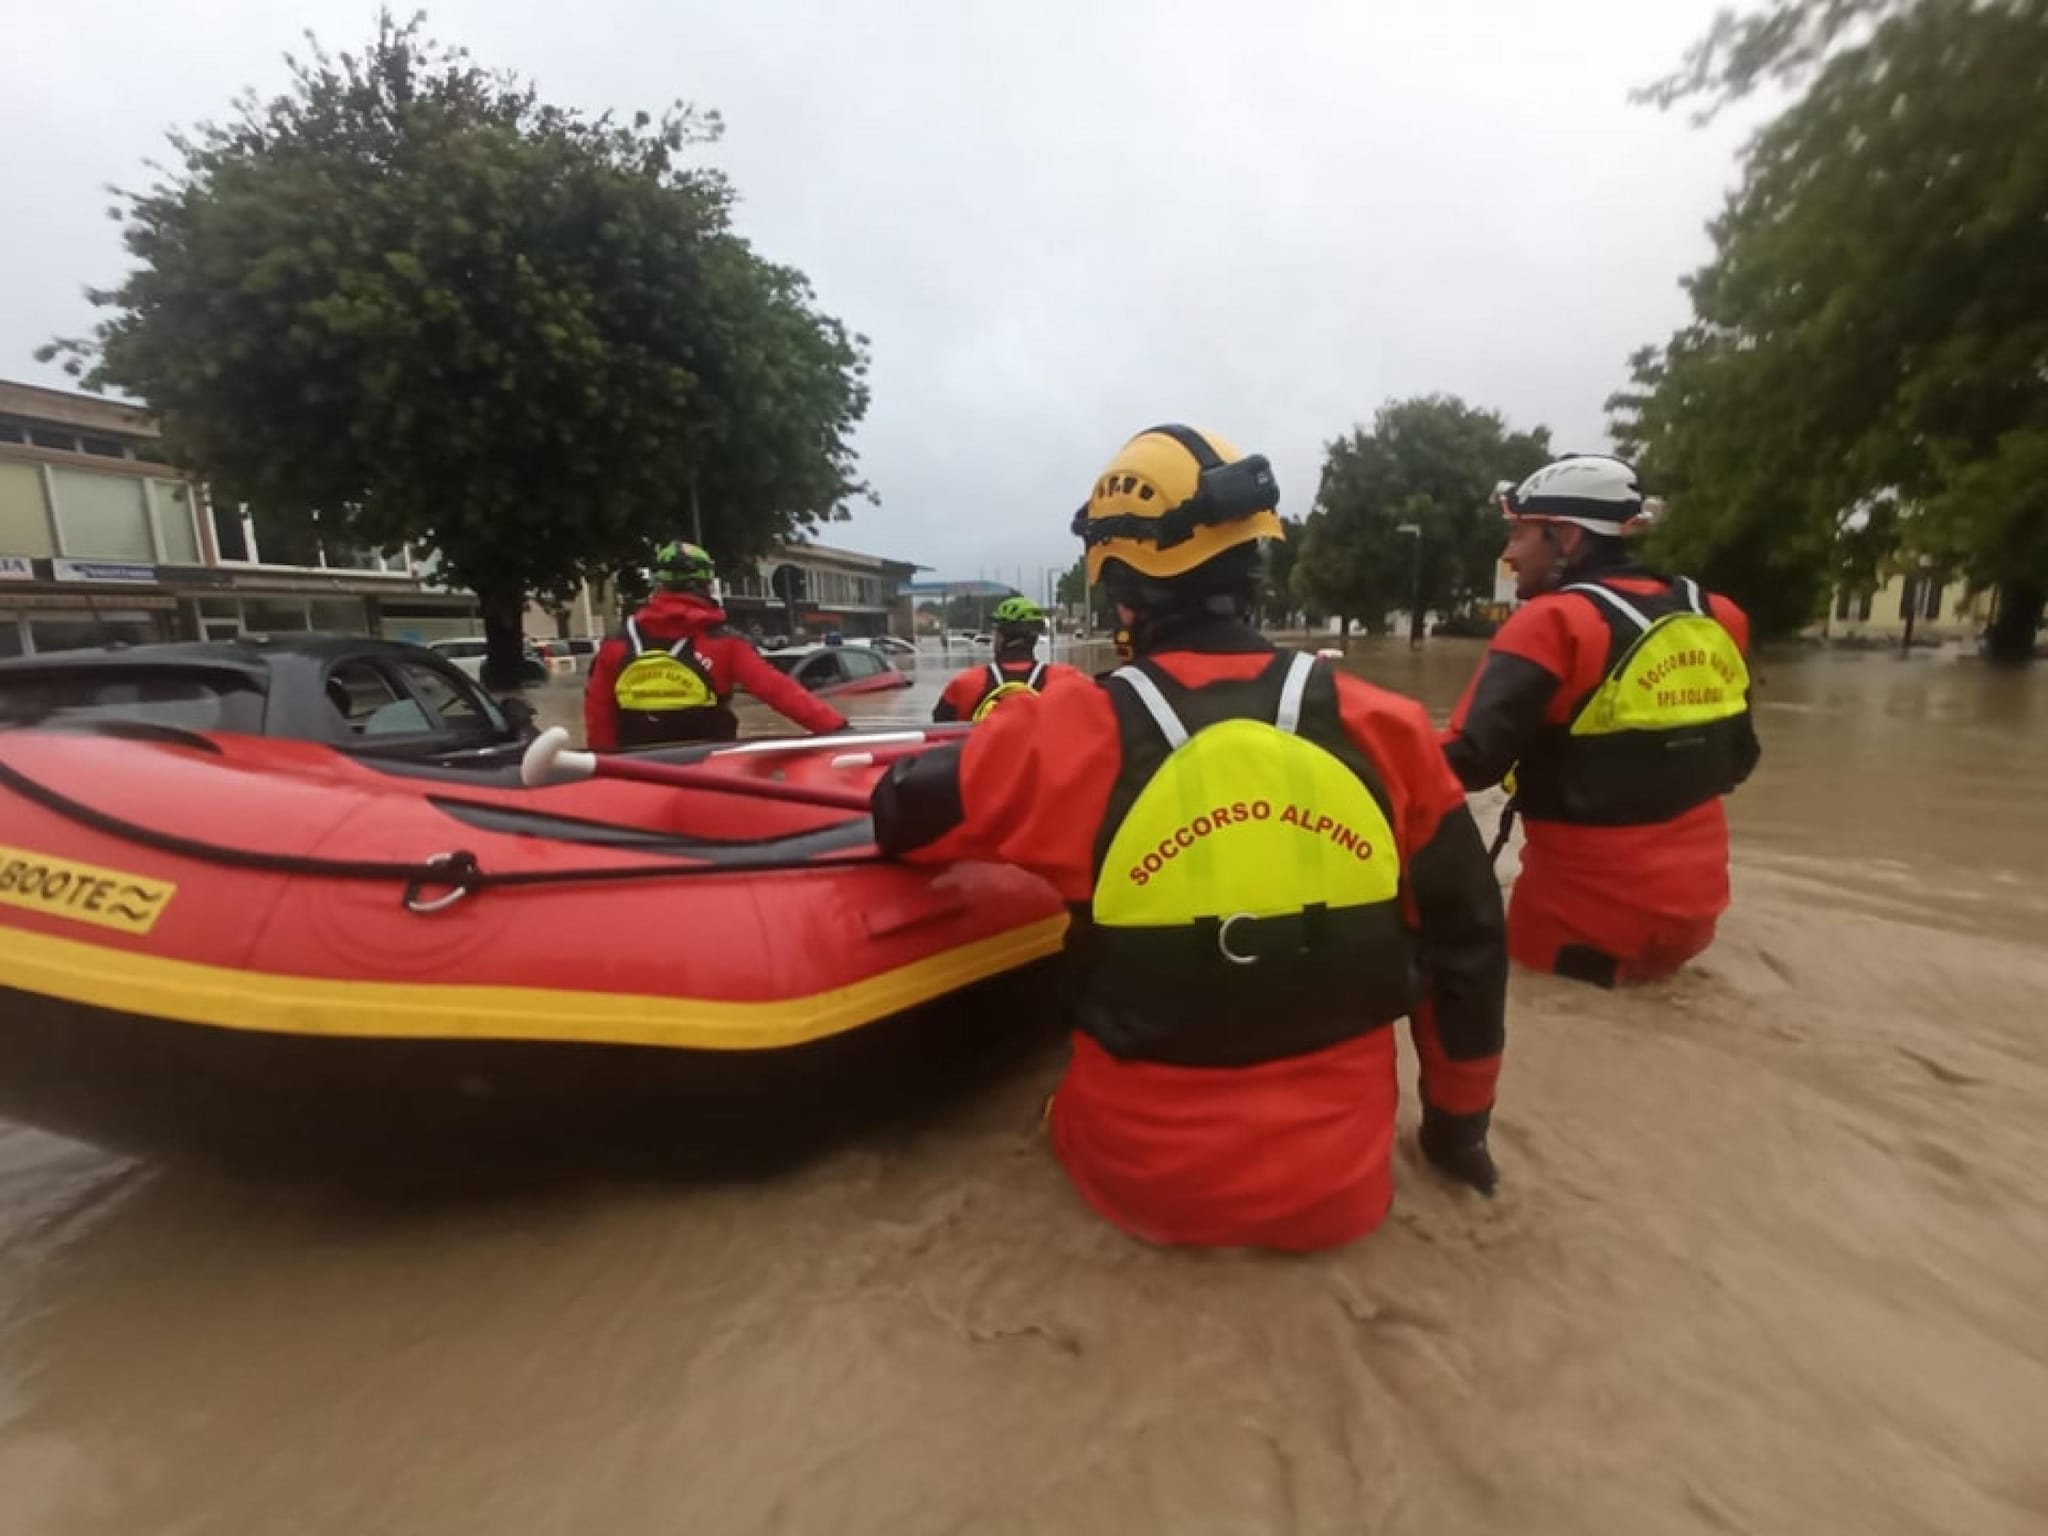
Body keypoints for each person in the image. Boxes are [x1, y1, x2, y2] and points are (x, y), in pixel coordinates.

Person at [870, 424, 1507, 1251]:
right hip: (1344, 1196)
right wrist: (1458, 1135)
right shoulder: (1388, 728)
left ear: (1121, 586)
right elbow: (1469, 945)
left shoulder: (1059, 733)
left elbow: (901, 817)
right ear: (1253, 564)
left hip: (1134, 1191)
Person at [1441, 455, 1760, 987]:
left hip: (1576, 921)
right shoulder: (1718, 614)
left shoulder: (1552, 622)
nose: (1508, 554)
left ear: (1565, 537)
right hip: (1698, 908)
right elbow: (1738, 756)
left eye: (1519, 535)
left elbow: (1468, 760)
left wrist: (1355, 749)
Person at [583, 540, 848, 749]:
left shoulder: (616, 644)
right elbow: (780, 692)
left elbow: (598, 717)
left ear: (660, 585)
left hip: (638, 775)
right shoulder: (725, 643)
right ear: (707, 584)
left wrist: (604, 769)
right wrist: (838, 729)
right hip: (709, 775)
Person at [932, 596, 1086, 722]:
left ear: (1000, 637)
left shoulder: (966, 683)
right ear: (1035, 639)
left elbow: (940, 730)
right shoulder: (1066, 679)